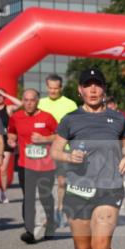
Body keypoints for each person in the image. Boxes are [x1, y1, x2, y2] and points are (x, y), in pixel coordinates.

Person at [50, 68, 125, 249]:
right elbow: (56, 150)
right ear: (79, 89)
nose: (92, 90)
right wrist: (68, 156)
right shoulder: (70, 119)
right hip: (78, 190)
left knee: (102, 247)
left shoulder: (118, 118)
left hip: (109, 188)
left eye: (97, 85)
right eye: (87, 85)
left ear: (104, 88)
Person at [7, 89, 58, 243]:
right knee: (28, 197)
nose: (29, 103)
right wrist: (11, 140)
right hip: (25, 164)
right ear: (22, 101)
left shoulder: (47, 117)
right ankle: (29, 231)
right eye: (26, 100)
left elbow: (60, 135)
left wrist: (44, 139)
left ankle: (50, 223)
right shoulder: (16, 117)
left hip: (46, 165)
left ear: (37, 101)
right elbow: (12, 132)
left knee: (45, 197)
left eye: (32, 100)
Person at [38, 74, 78, 226]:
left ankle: (59, 211)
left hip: (64, 149)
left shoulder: (70, 104)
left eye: (56, 88)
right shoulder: (40, 103)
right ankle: (49, 215)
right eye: (50, 88)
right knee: (44, 185)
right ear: (47, 87)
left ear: (61, 87)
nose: (53, 91)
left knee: (62, 183)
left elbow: (75, 127)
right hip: (44, 150)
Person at [0, 88, 20, 203]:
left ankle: (4, 193)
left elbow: (20, 104)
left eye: (1, 95)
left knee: (3, 169)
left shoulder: (8, 108)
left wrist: (6, 94)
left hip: (6, 140)